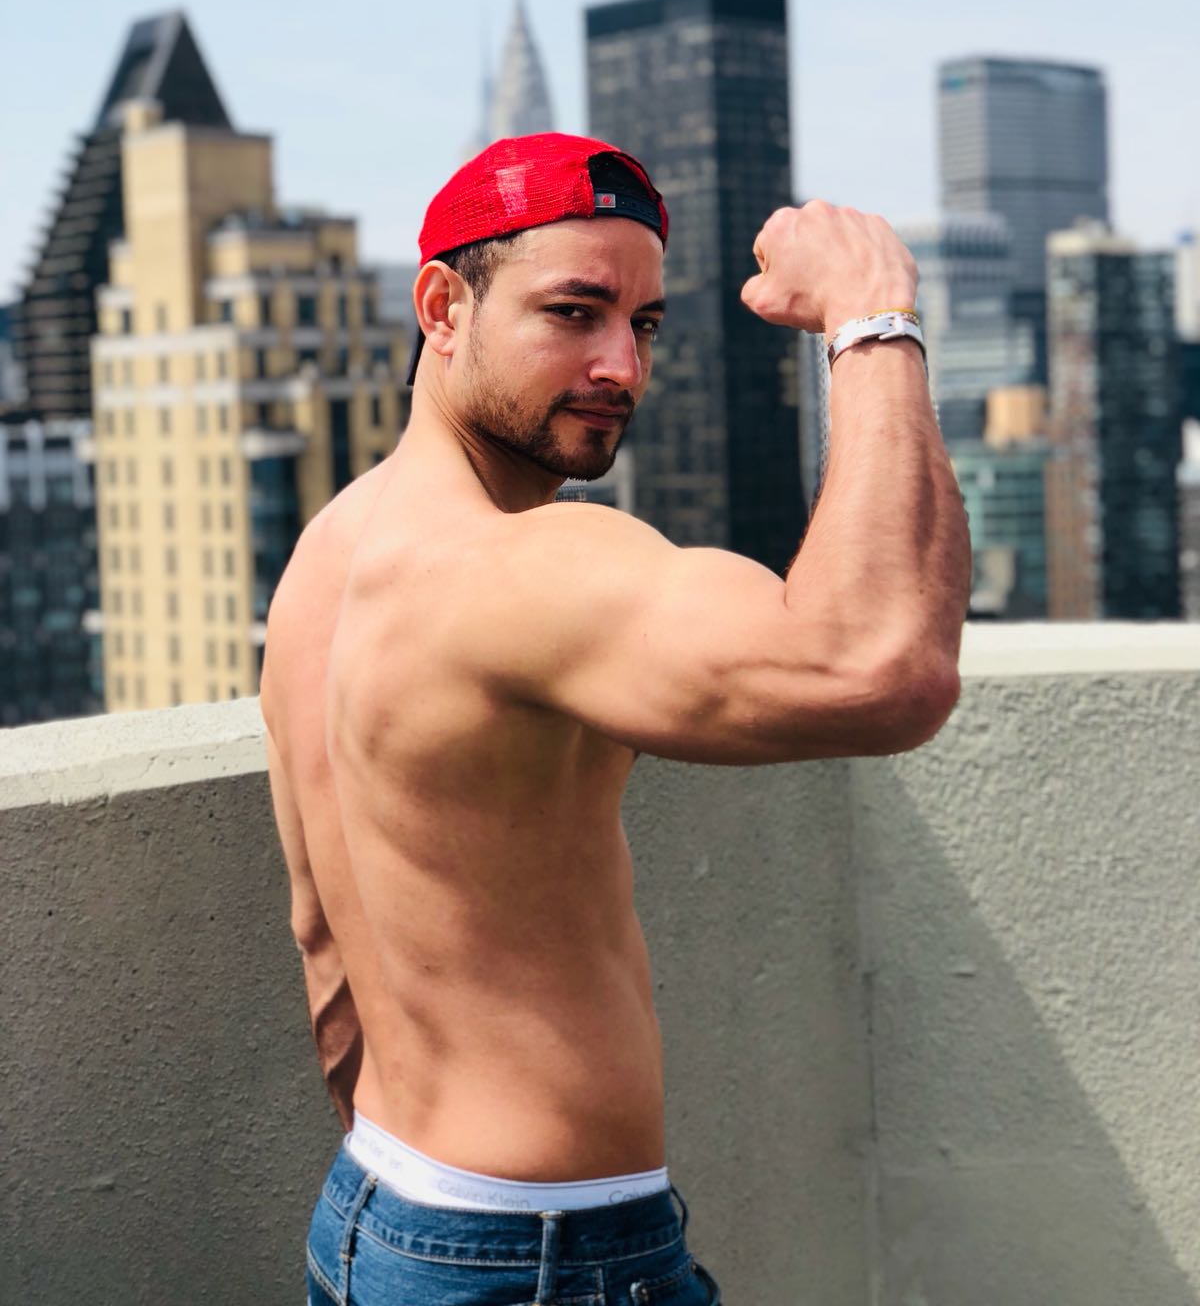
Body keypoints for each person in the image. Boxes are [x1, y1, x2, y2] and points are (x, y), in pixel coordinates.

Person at [262, 132, 971, 1306]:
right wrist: (873, 317)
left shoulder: (328, 555)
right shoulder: (523, 567)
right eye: (574, 312)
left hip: (378, 1212)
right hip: (539, 1257)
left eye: (642, 324)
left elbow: (323, 948)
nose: (620, 366)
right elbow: (887, 666)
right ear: (442, 307)